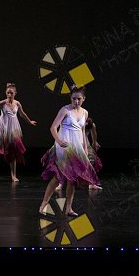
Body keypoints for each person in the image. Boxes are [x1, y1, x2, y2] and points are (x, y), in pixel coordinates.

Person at [39, 87, 100, 216]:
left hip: (77, 147)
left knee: (72, 179)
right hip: (64, 147)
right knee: (58, 177)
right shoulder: (65, 110)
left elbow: (82, 131)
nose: (76, 101)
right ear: (70, 98)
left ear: (83, 99)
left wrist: (85, 148)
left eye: (79, 99)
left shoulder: (85, 113)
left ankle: (68, 208)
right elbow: (53, 127)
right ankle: (43, 204)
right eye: (74, 99)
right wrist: (59, 140)